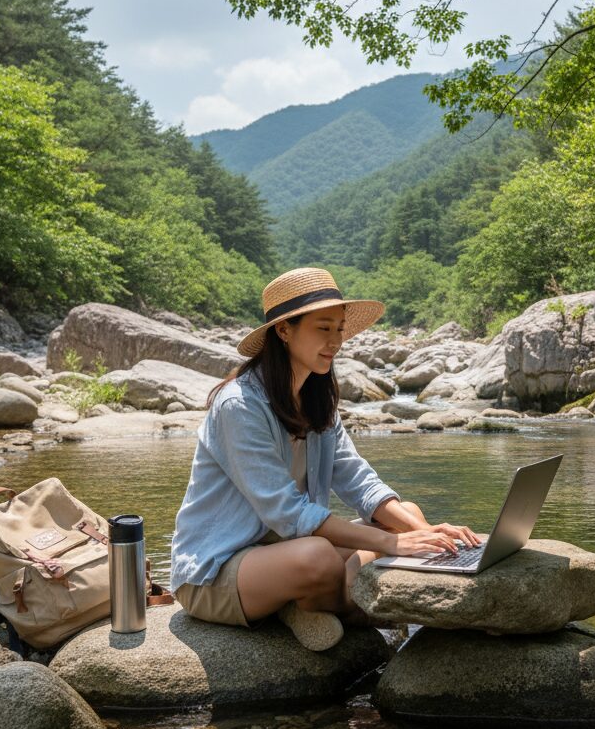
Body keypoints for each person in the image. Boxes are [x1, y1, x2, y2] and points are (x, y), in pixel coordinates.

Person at [170, 267, 482, 651]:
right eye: (323, 328)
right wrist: (393, 546)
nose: (336, 341)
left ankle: (307, 603)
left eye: (339, 329)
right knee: (320, 558)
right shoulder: (239, 405)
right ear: (284, 331)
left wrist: (428, 533)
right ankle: (344, 606)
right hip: (215, 571)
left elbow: (359, 482)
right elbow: (289, 513)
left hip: (278, 550)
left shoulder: (317, 399)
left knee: (407, 514)